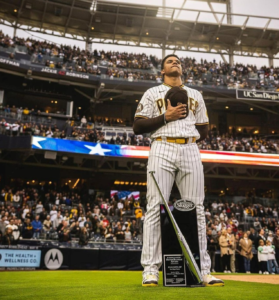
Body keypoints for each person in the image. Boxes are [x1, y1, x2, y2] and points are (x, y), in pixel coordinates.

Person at [133, 54, 223, 287]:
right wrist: (166, 117)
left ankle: (203, 270)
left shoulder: (195, 94)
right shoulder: (152, 92)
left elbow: (203, 129)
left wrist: (186, 137)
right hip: (161, 145)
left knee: (197, 209)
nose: (175, 62)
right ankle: (150, 270)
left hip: (189, 148)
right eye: (170, 61)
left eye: (178, 61)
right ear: (162, 70)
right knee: (154, 206)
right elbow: (138, 126)